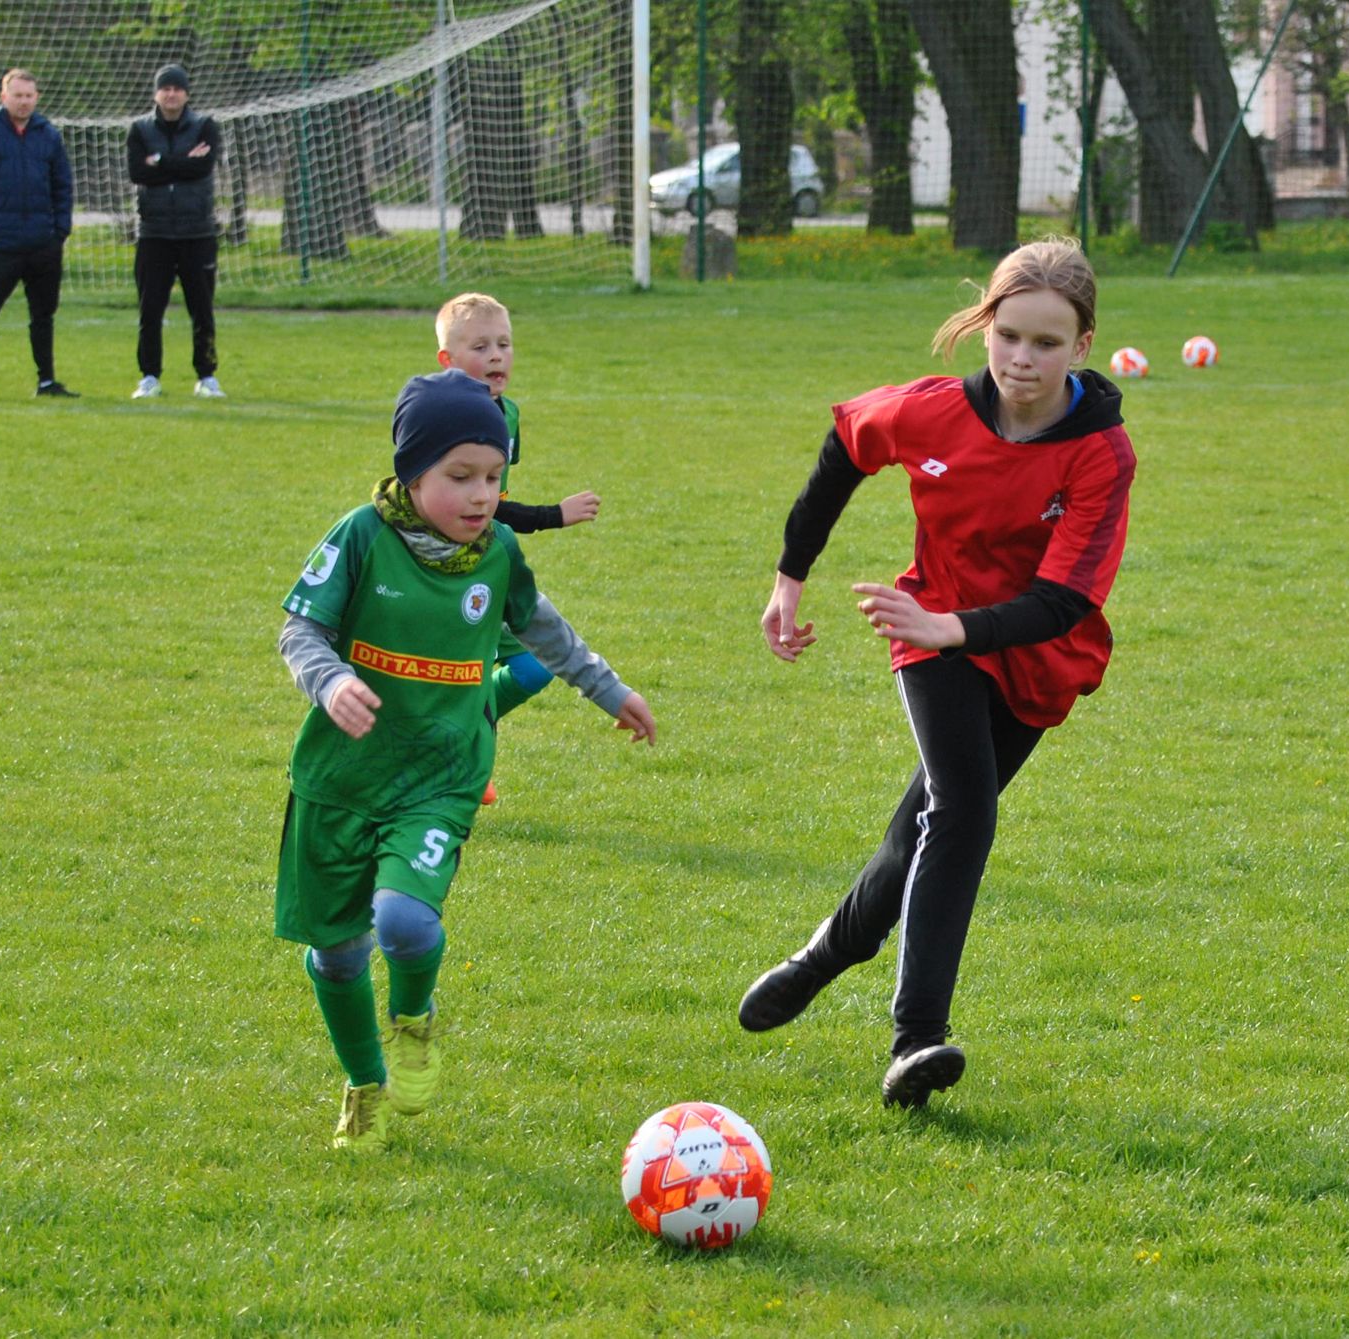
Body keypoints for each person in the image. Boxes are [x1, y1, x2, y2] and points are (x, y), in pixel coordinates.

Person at [739, 237, 1136, 1110]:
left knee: (921, 824)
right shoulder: (930, 412)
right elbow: (845, 446)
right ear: (984, 325)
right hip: (931, 630)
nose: (1022, 359)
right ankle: (915, 1038)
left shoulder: (1100, 453)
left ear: (1082, 345)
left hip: (1034, 656)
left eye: (1046, 341)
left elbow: (1064, 599)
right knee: (963, 806)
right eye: (1009, 334)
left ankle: (828, 952)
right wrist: (788, 578)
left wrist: (954, 627)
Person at [275, 369, 657, 1152]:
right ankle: (364, 1083)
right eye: (461, 477)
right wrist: (332, 679)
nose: (483, 495)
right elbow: (298, 631)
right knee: (338, 951)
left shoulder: (498, 551)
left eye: (494, 476)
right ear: (411, 472)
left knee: (405, 922)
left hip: (440, 776)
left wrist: (606, 688)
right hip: (341, 778)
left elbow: (545, 630)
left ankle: (413, 1019)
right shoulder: (359, 535)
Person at [432, 293, 601, 804]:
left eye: (504, 344)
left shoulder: (509, 414)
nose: (497, 356)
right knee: (450, 676)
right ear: (448, 360)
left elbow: (492, 503)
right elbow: (469, 507)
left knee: (536, 662)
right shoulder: (439, 413)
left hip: (487, 568)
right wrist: (554, 515)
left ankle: (464, 745)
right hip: (438, 574)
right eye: (480, 346)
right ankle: (458, 763)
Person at [0, 68, 76, 399]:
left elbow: (63, 186)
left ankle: (47, 382)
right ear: (3, 97)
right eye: (17, 96)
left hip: (42, 243)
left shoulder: (49, 136)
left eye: (29, 96)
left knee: (43, 314)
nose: (23, 102)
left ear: (37, 97)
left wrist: (60, 232)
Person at [126, 64, 227, 400]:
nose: (171, 94)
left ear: (186, 93)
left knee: (202, 309)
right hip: (154, 233)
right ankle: (149, 375)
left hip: (197, 232)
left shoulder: (205, 126)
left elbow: (203, 168)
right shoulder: (139, 129)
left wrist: (162, 161)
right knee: (150, 309)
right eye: (165, 88)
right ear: (156, 93)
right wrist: (181, 161)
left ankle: (207, 375)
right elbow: (138, 173)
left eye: (177, 88)